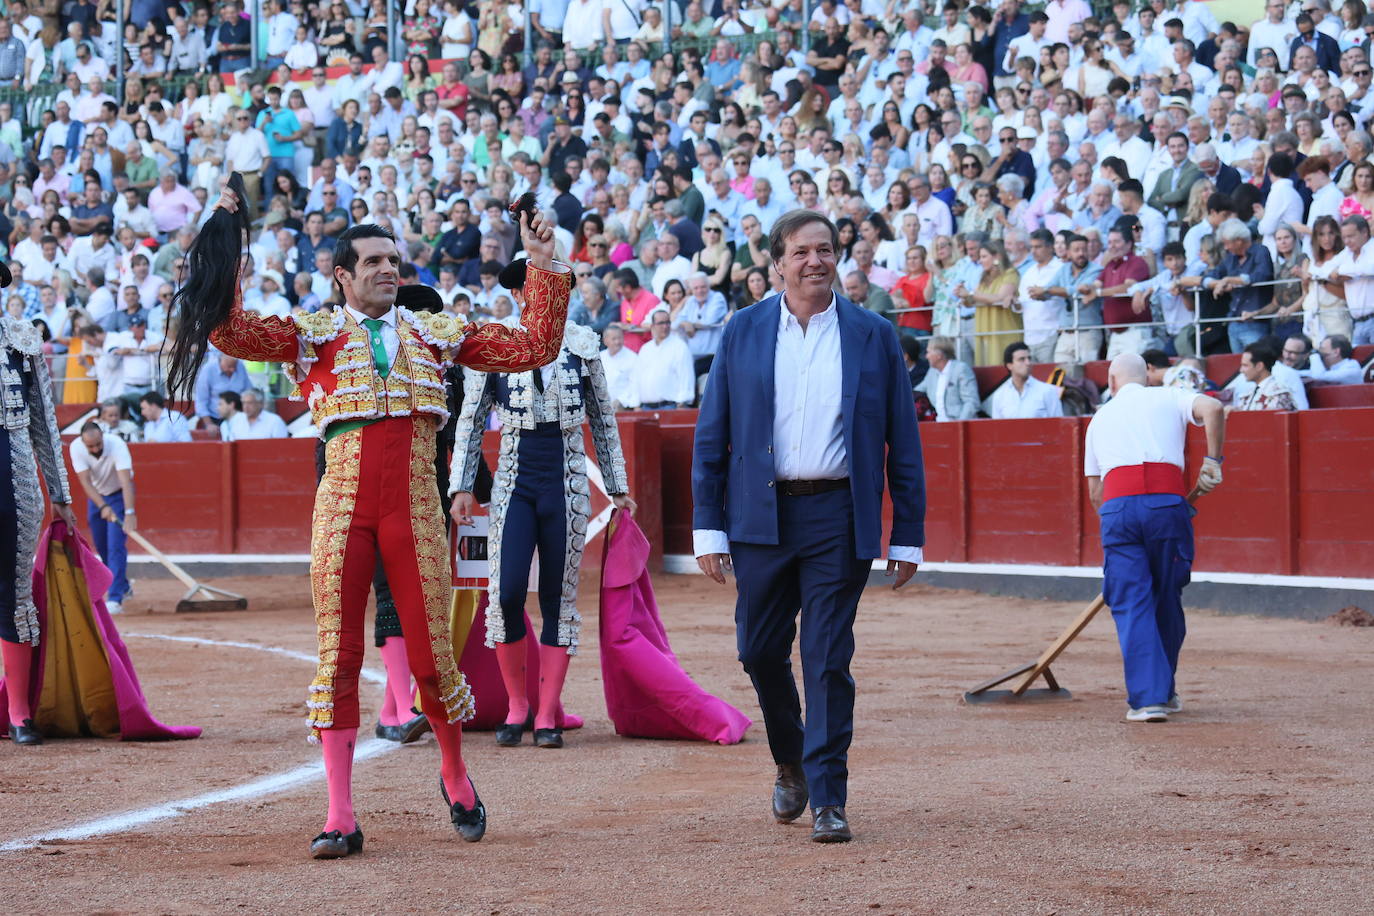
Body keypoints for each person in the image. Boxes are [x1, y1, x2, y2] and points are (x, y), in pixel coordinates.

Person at [167, 181, 571, 857]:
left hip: (415, 507)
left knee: (432, 657)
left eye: (394, 261)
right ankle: (340, 813)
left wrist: (542, 262)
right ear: (342, 276)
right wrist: (226, 242)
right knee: (338, 656)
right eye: (375, 261)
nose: (389, 270)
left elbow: (534, 346)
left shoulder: (436, 332)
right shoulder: (313, 333)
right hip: (342, 508)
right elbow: (229, 331)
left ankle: (454, 772)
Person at [692, 210, 925, 844]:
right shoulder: (743, 330)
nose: (815, 261)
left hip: (836, 515)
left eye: (824, 250)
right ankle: (790, 758)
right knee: (757, 651)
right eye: (801, 252)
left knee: (826, 658)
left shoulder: (874, 333)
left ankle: (828, 797)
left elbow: (903, 441)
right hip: (759, 515)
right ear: (777, 264)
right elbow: (712, 436)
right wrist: (708, 526)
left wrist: (907, 533)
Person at [451, 258, 634, 749]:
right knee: (507, 593)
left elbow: (603, 418)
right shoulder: (497, 345)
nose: (549, 299)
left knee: (558, 597)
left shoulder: (582, 345)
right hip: (514, 481)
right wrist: (462, 485)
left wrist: (616, 484)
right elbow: (470, 420)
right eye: (537, 289)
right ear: (518, 295)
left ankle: (548, 711)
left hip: (567, 480)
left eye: (556, 290)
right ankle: (518, 705)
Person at [1084, 352, 1225, 722]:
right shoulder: (1168, 395)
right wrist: (1214, 461)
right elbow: (1213, 408)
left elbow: (1096, 493)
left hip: (1118, 510)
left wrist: (1118, 527)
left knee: (1133, 602)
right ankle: (1164, 692)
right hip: (1167, 506)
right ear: (1146, 377)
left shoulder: (1099, 418)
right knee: (1166, 598)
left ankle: (1150, 699)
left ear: (1111, 383)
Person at [2, 292, 78, 746]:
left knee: (14, 594)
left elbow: (44, 426)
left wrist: (60, 493)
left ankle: (18, 712)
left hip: (14, 486)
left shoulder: (23, 341)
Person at [69, 421, 135, 615]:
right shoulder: (76, 447)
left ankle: (115, 598)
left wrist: (129, 512)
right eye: (91, 446)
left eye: (98, 444)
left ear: (103, 437)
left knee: (115, 546)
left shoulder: (116, 444)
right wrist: (103, 506)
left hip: (119, 496)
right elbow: (85, 482)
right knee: (102, 546)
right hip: (97, 497)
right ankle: (123, 586)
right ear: (83, 442)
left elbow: (126, 482)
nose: (96, 449)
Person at [634, 308, 696, 407]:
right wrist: (636, 404)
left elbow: (686, 375)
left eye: (668, 323)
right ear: (652, 326)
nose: (665, 326)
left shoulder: (679, 346)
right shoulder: (645, 349)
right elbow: (637, 377)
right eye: (661, 323)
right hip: (646, 407)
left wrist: (683, 402)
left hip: (670, 407)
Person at [990, 341, 1065, 419]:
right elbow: (997, 426)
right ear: (1010, 366)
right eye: (1021, 359)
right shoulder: (1000, 395)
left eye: (1029, 358)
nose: (1028, 363)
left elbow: (1058, 424)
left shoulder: (1048, 391)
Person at [916, 335, 981, 421]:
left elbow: (972, 402)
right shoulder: (932, 372)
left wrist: (960, 424)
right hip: (939, 424)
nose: (926, 356)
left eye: (928, 352)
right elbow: (917, 391)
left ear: (939, 355)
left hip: (961, 423)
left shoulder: (961, 369)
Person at [1231, 343, 1297, 411]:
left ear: (1259, 366)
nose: (1241, 370)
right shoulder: (1249, 393)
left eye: (1245, 365)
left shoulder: (1279, 393)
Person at [222, 388, 289, 439]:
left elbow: (281, 446)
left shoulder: (274, 421)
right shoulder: (236, 420)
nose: (246, 407)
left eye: (250, 403)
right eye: (244, 403)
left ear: (260, 404)